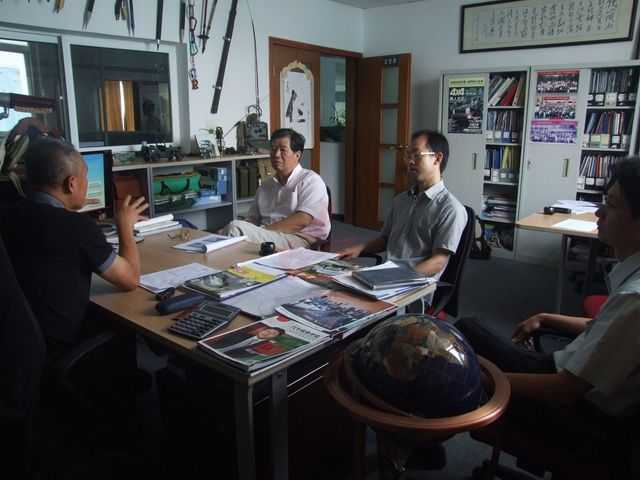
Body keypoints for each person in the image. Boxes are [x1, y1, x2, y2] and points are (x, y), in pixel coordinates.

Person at [456, 159, 640, 438]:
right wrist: (548, 317)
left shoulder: (633, 299)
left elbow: (564, 390)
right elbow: (606, 330)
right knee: (468, 331)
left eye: (612, 205)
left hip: (576, 414)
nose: (599, 212)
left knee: (462, 336)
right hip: (571, 367)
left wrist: (482, 381)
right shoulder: (631, 286)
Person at [0, 137, 147, 356]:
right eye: (85, 177)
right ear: (71, 184)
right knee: (124, 322)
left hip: (14, 340)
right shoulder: (77, 227)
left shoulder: (7, 213)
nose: (87, 183)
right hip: (59, 342)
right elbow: (130, 280)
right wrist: (125, 226)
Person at [338, 129, 467, 309]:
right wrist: (359, 248)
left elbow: (438, 262)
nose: (410, 161)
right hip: (383, 279)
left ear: (437, 158)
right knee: (332, 293)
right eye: (408, 155)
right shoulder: (401, 200)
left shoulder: (451, 209)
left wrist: (394, 277)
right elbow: (385, 240)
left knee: (348, 306)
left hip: (412, 288)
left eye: (416, 155)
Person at [220, 128, 330, 250]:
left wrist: (260, 231)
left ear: (297, 155)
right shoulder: (265, 186)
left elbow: (302, 220)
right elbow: (252, 219)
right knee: (225, 234)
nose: (276, 154)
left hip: (298, 237)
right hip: (269, 235)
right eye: (273, 149)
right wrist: (247, 230)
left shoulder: (311, 180)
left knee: (235, 228)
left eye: (283, 150)